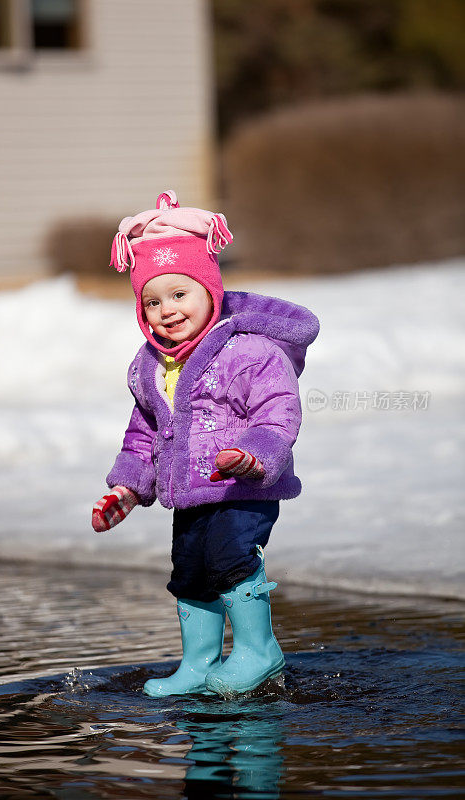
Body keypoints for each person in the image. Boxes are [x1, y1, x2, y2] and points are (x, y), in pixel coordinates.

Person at [92, 190, 319, 698]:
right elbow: (144, 431)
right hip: (188, 493)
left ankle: (260, 651)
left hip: (244, 486)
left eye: (180, 294)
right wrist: (126, 489)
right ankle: (198, 662)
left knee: (230, 557)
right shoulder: (151, 365)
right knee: (190, 571)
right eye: (152, 301)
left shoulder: (250, 351)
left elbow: (278, 411)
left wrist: (253, 455)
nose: (166, 311)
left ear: (210, 291)